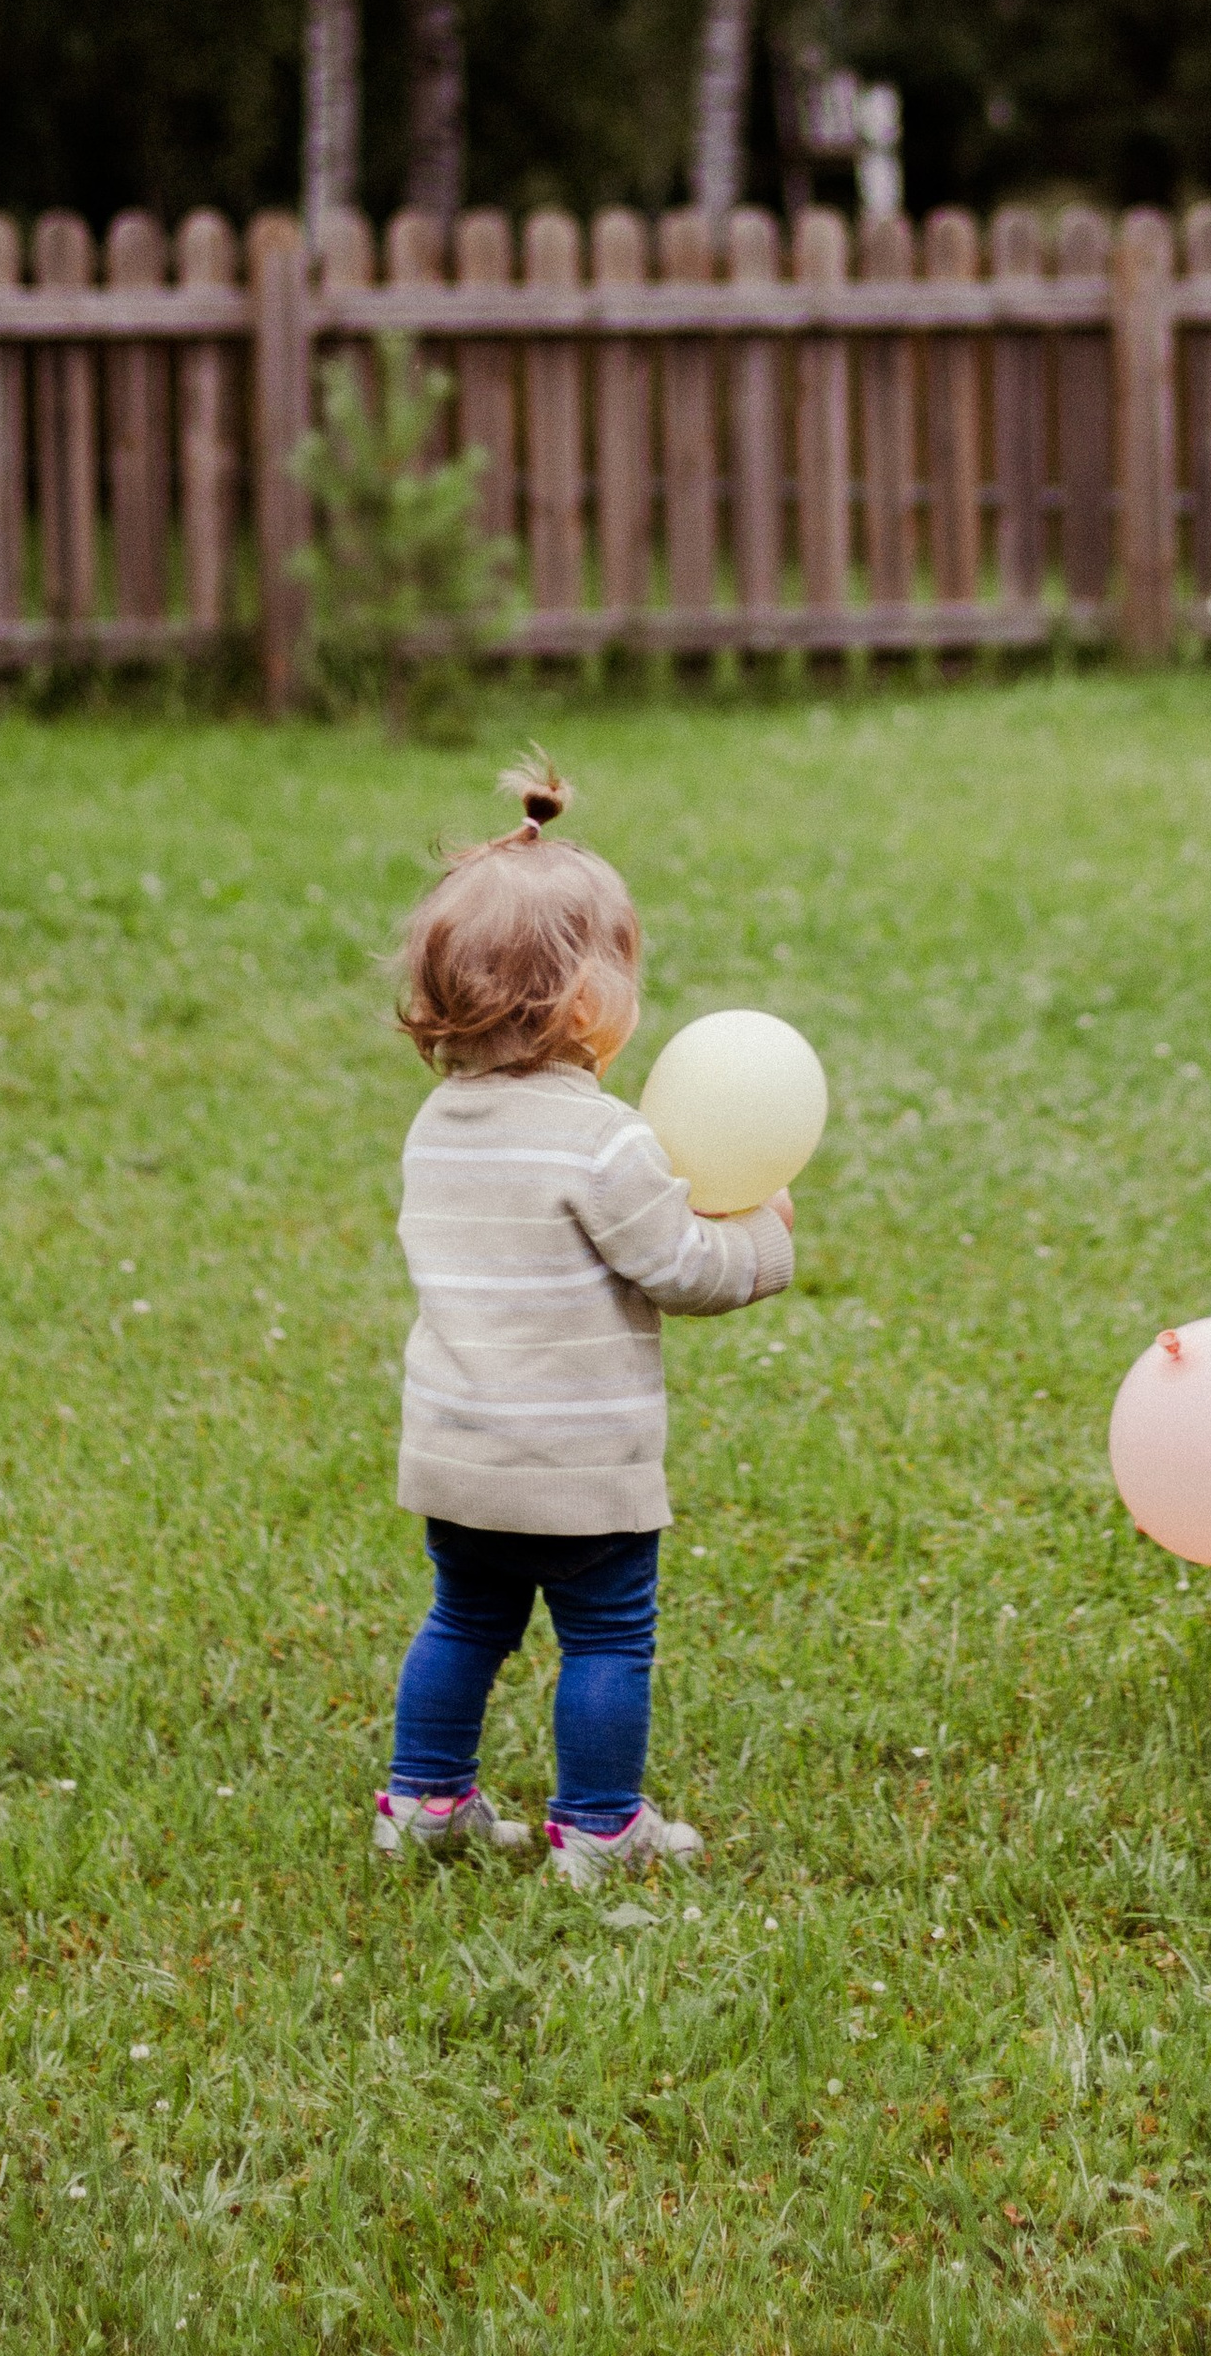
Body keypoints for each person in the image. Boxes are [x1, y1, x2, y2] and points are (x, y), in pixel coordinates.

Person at [373, 756, 794, 1881]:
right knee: (607, 1635)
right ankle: (602, 1827)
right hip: (577, 1463)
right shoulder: (602, 1138)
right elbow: (679, 1267)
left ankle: (424, 1803)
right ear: (586, 1002)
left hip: (461, 1452)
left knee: (465, 1621)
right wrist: (763, 1232)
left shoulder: (436, 1125)